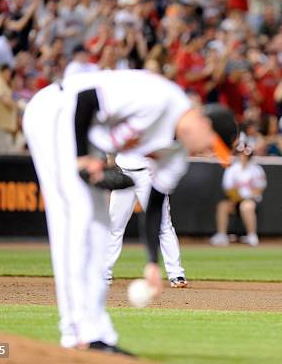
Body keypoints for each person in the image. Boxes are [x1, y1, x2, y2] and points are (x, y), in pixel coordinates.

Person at [23, 69, 237, 354]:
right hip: (55, 110)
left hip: (86, 134)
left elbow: (155, 208)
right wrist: (81, 159)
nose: (210, 152)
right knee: (78, 217)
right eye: (212, 145)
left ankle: (97, 334)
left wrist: (151, 263)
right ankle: (76, 333)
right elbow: (86, 99)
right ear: (203, 123)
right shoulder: (160, 100)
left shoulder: (176, 157)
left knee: (99, 227)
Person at [105, 152, 188, 288]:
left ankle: (176, 274)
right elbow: (111, 143)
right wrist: (111, 165)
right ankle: (104, 273)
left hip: (148, 174)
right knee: (114, 225)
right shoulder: (121, 130)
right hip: (123, 173)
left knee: (163, 225)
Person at [211, 140, 267, 247]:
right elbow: (228, 188)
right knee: (222, 206)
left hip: (251, 200)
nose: (242, 156)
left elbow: (259, 189)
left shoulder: (256, 169)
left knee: (247, 206)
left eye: (245, 154)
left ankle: (252, 236)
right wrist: (235, 199)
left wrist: (246, 196)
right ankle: (221, 235)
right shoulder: (232, 169)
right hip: (234, 199)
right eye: (240, 154)